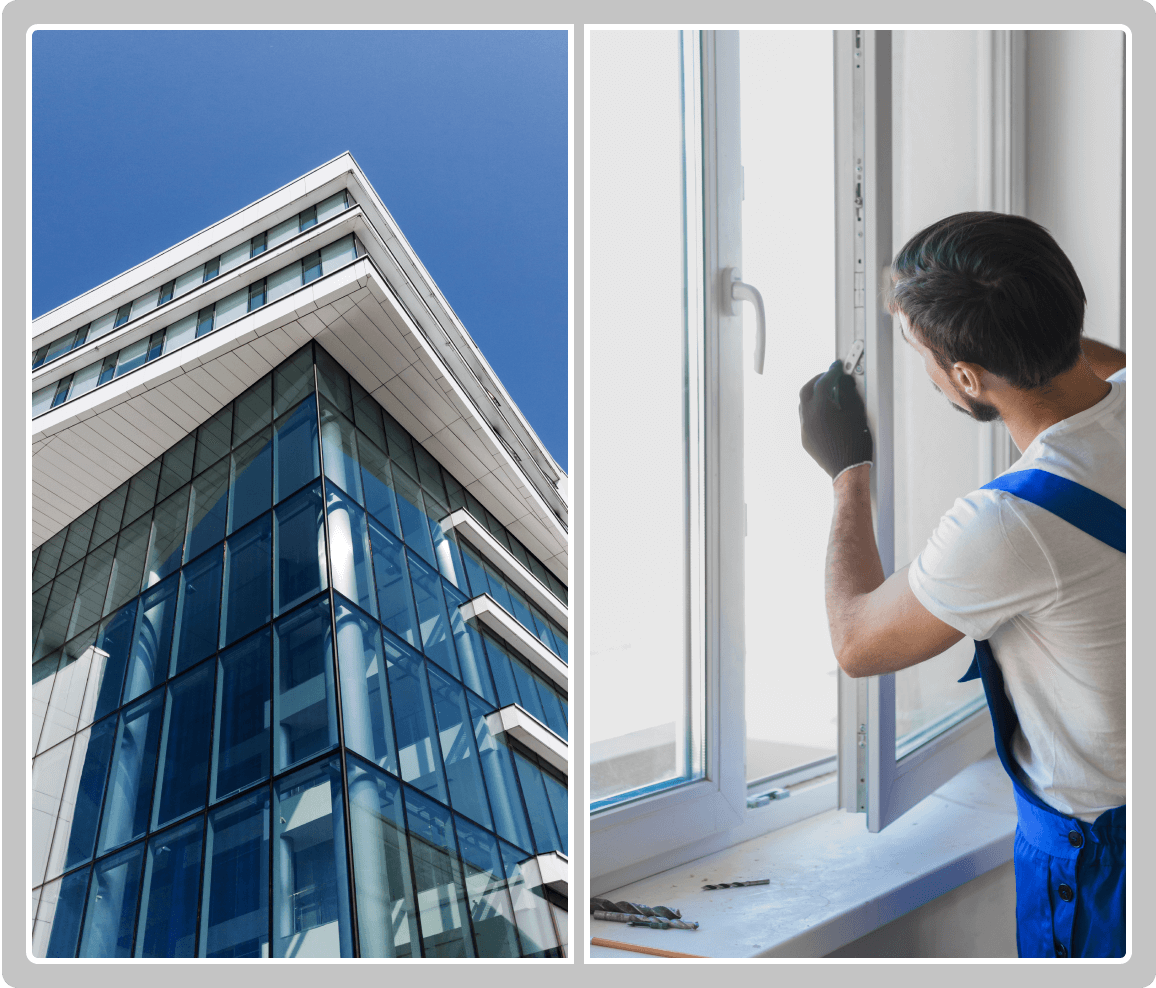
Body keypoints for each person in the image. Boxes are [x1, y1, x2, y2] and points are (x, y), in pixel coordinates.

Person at [797, 211, 1126, 959]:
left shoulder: (1009, 523)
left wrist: (848, 469)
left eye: (924, 356)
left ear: (969, 379)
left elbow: (856, 640)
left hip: (1107, 875)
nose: (923, 367)